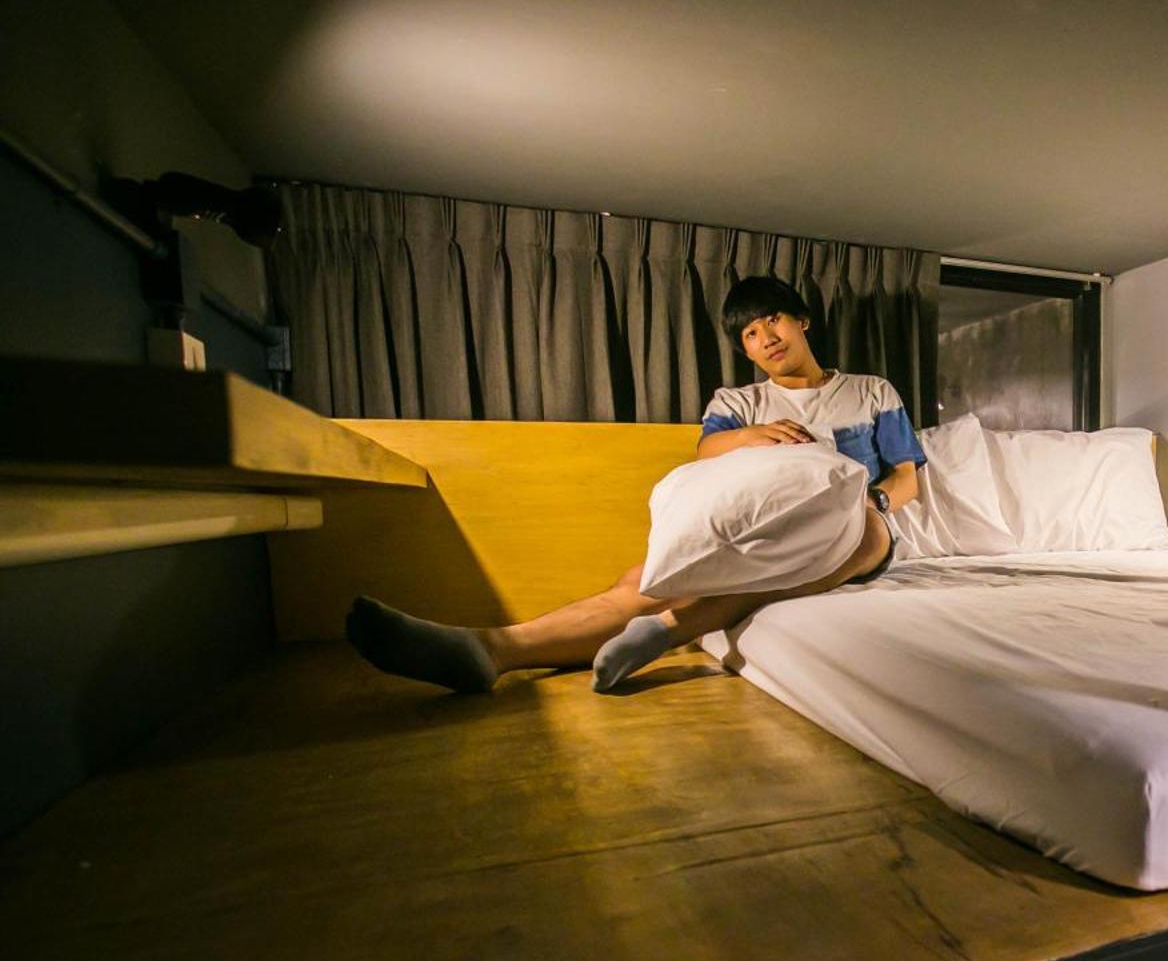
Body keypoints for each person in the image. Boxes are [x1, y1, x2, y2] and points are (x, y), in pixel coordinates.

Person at [344, 276, 925, 692]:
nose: (765, 337)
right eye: (749, 333)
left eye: (773, 319)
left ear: (802, 320)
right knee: (644, 580)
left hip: (855, 531)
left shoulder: (871, 391)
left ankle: (672, 629)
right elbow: (706, 454)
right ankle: (493, 649)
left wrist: (872, 501)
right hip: (765, 532)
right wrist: (753, 436)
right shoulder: (738, 403)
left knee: (865, 532)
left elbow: (907, 479)